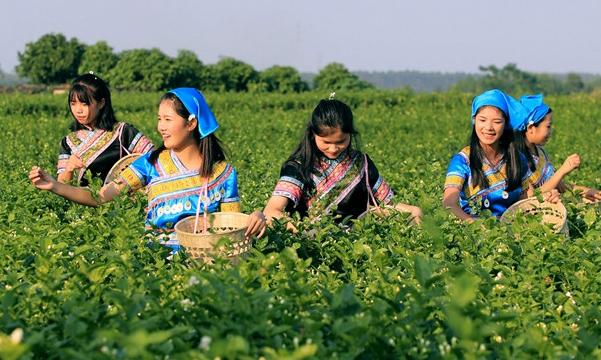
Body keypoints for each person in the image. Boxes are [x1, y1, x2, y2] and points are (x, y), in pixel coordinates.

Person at [30, 87, 266, 250]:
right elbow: (100, 198)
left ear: (192, 123)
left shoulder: (223, 174)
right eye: (159, 119)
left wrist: (255, 217)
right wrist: (55, 185)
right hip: (158, 263)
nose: (160, 127)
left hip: (207, 264)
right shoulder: (149, 164)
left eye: (168, 119)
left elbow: (230, 229)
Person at [262, 98, 422, 230]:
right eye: (326, 142)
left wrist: (412, 210)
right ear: (313, 134)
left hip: (358, 242)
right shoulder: (298, 167)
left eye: (341, 141)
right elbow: (271, 211)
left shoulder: (362, 163)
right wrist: (299, 228)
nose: (333, 148)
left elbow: (388, 204)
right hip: (312, 242)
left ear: (350, 135)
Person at [443, 89, 537, 221]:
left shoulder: (517, 158)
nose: (489, 127)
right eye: (482, 120)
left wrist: (547, 198)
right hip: (474, 234)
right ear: (474, 120)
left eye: (497, 122)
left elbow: (527, 202)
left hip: (513, 230)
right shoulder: (463, 161)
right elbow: (449, 205)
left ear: (505, 124)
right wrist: (477, 227)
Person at [56, 73, 154, 184]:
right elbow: (61, 185)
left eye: (84, 104)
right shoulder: (68, 142)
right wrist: (69, 168)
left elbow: (154, 160)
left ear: (101, 103)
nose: (78, 110)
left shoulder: (123, 132)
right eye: (73, 104)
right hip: (83, 200)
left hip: (122, 199)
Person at [515, 94, 601, 202]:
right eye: (548, 126)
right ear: (531, 128)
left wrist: (586, 191)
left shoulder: (539, 152)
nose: (551, 131)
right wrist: (562, 171)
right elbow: (531, 198)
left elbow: (556, 184)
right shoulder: (517, 159)